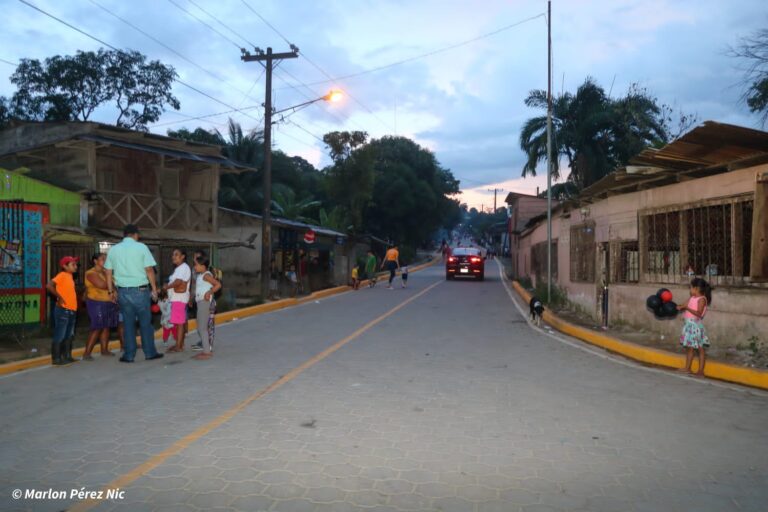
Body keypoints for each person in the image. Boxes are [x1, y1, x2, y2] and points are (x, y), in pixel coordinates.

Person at [104, 224, 163, 363]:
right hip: (140, 291)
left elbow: (108, 271)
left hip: (123, 292)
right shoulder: (141, 247)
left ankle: (129, 355)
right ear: (135, 235)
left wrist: (111, 291)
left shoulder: (113, 249)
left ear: (124, 235)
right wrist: (154, 289)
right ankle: (150, 353)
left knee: (128, 324)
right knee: (145, 324)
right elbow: (149, 269)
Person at [82, 253, 118, 360]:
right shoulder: (91, 273)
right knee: (97, 327)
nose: (106, 261)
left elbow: (113, 285)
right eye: (103, 259)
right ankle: (87, 353)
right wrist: (110, 280)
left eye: (106, 259)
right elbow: (102, 285)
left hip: (108, 302)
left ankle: (104, 349)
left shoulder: (105, 272)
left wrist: (110, 282)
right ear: (95, 261)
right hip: (96, 302)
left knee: (106, 326)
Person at [46, 256, 79, 366]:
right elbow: (49, 286)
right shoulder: (62, 275)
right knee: (60, 334)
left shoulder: (69, 277)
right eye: (73, 264)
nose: (76, 266)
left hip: (71, 310)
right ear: (65, 266)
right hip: (63, 310)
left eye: (76, 264)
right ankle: (56, 358)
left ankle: (67, 356)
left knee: (69, 334)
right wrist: (59, 297)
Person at [677, 277, 712, 376]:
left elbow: (699, 313)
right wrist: (678, 307)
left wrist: (686, 308)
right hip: (688, 326)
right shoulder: (692, 298)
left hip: (695, 327)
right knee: (689, 348)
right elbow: (683, 305)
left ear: (696, 288)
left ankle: (701, 370)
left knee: (700, 349)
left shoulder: (702, 300)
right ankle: (687, 368)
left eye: (691, 287)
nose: (690, 290)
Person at [192, 256, 222, 360]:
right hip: (200, 302)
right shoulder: (201, 276)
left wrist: (209, 292)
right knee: (201, 328)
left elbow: (218, 285)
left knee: (202, 328)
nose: (194, 267)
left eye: (196, 264)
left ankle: (207, 352)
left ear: (203, 266)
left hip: (204, 303)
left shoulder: (206, 275)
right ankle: (206, 350)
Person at [163, 249, 191, 353]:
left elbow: (178, 282)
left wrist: (167, 287)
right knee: (179, 323)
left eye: (176, 254)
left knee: (179, 323)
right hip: (177, 298)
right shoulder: (180, 268)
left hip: (179, 298)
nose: (173, 257)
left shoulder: (183, 268)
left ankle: (178, 346)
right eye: (173, 254)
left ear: (183, 256)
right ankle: (179, 344)